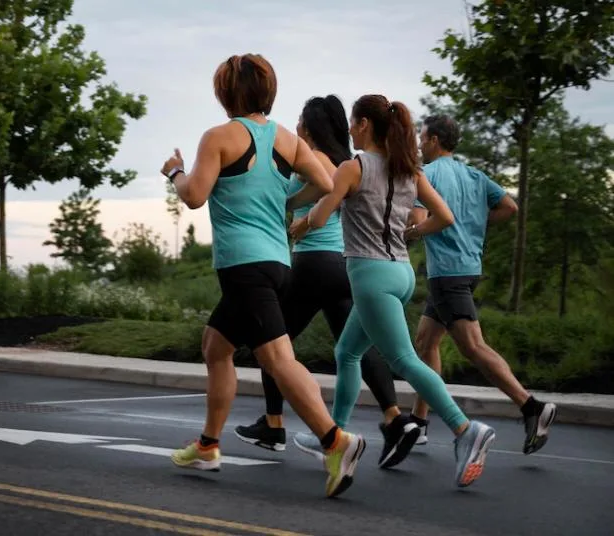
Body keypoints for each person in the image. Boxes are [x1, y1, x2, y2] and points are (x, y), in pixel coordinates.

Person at [160, 54, 366, 498]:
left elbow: (194, 196)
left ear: (225, 92)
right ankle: (209, 445)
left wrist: (175, 172)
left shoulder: (218, 137)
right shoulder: (288, 140)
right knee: (216, 347)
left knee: (277, 359)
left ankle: (337, 442)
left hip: (244, 265)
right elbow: (328, 184)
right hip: (277, 262)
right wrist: (286, 204)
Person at [289, 94, 496, 488]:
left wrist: (303, 222)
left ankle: (465, 429)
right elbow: (445, 216)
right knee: (347, 352)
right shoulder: (408, 170)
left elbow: (319, 213)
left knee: (403, 359)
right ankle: (335, 436)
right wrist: (410, 232)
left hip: (370, 275)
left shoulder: (354, 167)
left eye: (353, 122)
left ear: (365, 124)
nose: (349, 129)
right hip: (401, 273)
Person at [234, 94, 420, 469]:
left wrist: (290, 213)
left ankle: (273, 425)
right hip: (342, 267)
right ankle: (394, 418)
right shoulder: (344, 161)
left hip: (314, 264)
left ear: (312, 126)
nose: (297, 126)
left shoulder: (316, 160)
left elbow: (299, 194)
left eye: (302, 120)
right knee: (354, 348)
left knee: (271, 341)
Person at [408, 114, 557, 453]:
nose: (418, 143)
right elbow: (509, 206)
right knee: (425, 341)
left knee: (472, 347)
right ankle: (418, 421)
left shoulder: (426, 175)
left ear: (433, 140)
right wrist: (474, 224)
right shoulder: (474, 175)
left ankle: (531, 406)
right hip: (468, 268)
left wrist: (408, 232)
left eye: (422, 137)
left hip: (447, 273)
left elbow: (417, 221)